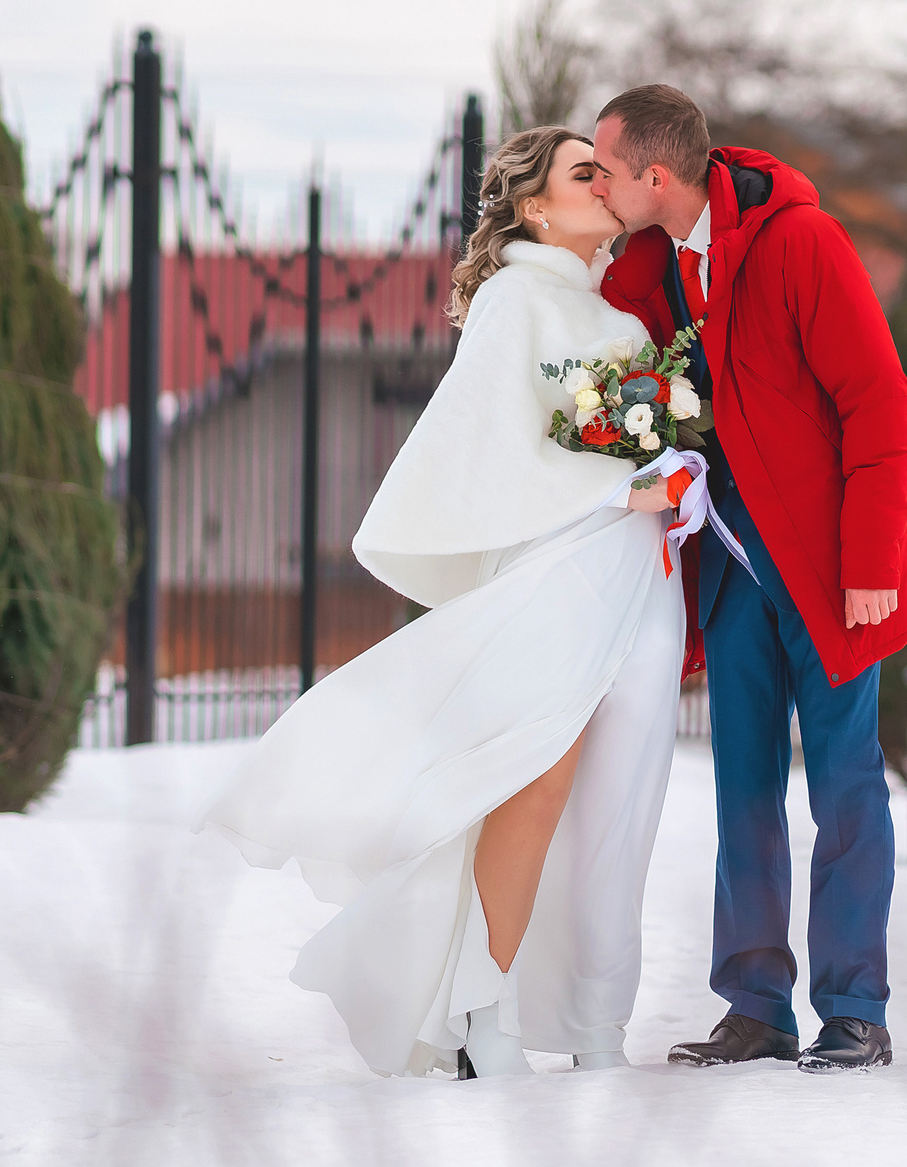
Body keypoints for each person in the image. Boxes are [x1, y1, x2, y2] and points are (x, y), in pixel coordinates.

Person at [198, 127, 686, 1080]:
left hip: (642, 579)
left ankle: (597, 1027)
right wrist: (620, 491)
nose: (606, 183)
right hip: (558, 567)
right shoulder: (512, 302)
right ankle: (481, 1009)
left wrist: (667, 472)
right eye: (584, 173)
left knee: (626, 802)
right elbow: (492, 450)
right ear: (537, 207)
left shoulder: (624, 326)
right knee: (532, 780)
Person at [591, 84, 907, 1073]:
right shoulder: (649, 270)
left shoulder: (801, 244)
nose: (600, 186)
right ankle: (755, 1007)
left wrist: (870, 561)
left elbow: (879, 402)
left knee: (845, 787)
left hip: (828, 573)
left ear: (657, 175)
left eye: (605, 170)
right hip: (733, 571)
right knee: (742, 788)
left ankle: (854, 1007)